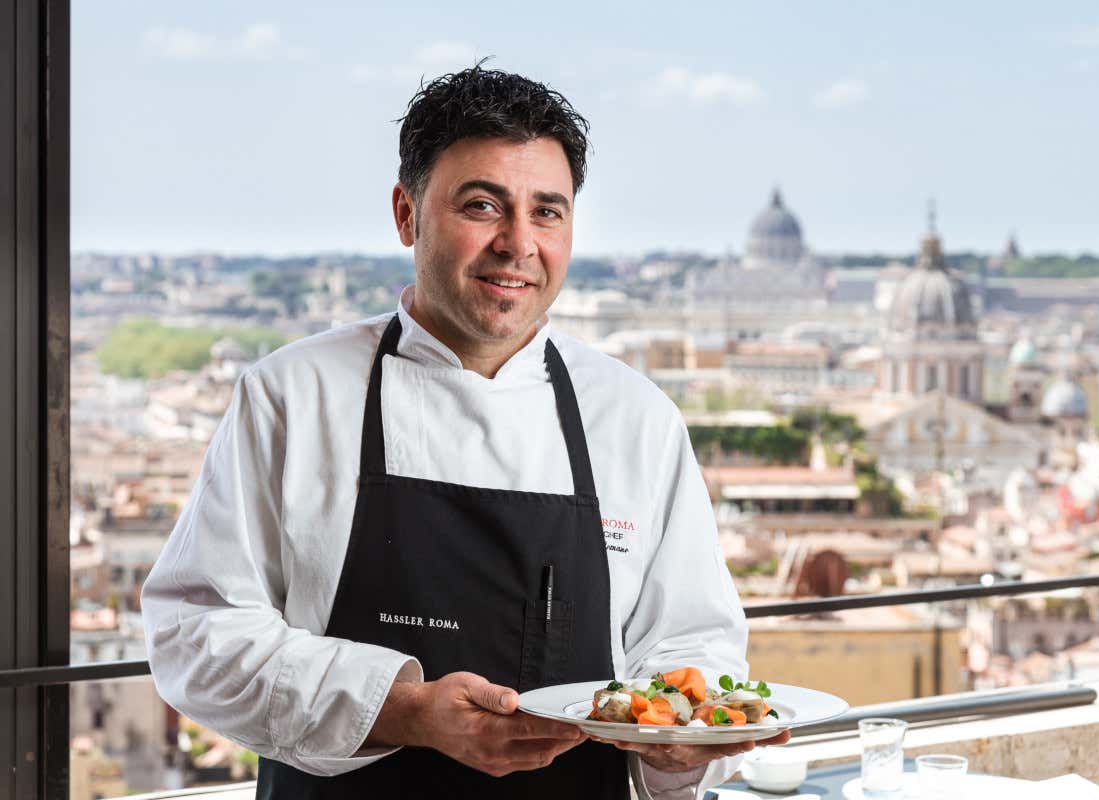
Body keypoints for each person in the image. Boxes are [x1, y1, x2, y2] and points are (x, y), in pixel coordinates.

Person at [141, 65, 786, 800]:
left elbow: (691, 644)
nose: (518, 244)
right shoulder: (292, 395)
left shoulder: (637, 418)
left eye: (547, 212)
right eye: (483, 206)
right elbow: (198, 636)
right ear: (406, 214)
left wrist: (683, 745)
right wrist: (404, 710)